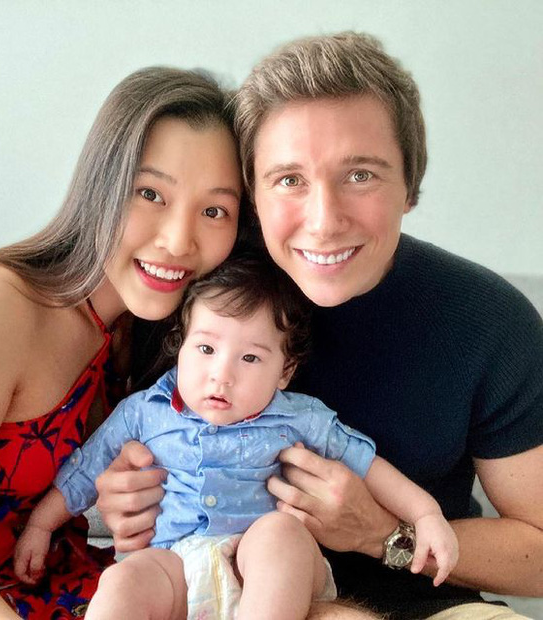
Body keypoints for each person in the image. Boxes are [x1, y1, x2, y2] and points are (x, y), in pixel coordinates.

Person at [94, 33, 543, 620]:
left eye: (360, 175)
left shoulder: (487, 321)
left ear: (410, 185)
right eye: (289, 179)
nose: (324, 220)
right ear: (252, 193)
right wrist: (122, 494)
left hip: (424, 606)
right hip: (202, 591)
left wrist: (382, 532)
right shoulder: (198, 292)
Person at [0, 67, 243, 619]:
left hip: (65, 582)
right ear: (102, 186)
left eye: (214, 211)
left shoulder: (158, 335)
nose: (178, 241)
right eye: (150, 193)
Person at [13, 250, 458, 620]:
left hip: (263, 577)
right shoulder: (143, 412)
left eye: (250, 358)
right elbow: (87, 470)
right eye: (206, 349)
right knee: (122, 579)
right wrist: (41, 524)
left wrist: (425, 514)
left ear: (284, 371)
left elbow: (366, 464)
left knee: (279, 533)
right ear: (181, 347)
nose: (221, 375)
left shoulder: (299, 418)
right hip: (174, 569)